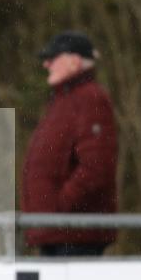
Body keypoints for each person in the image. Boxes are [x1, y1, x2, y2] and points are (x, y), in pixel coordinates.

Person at [21, 31, 118, 257]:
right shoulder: (65, 101)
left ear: (74, 61)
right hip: (59, 232)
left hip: (75, 235)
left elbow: (97, 167)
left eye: (53, 58)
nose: (47, 64)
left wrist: (60, 206)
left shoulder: (90, 99)